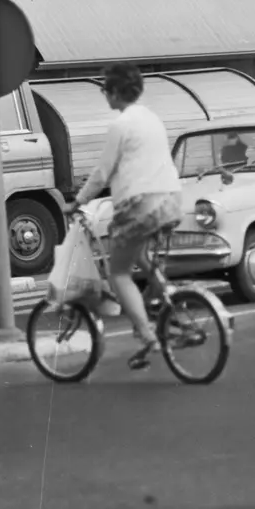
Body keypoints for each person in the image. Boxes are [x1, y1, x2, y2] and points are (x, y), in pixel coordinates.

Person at [68, 63, 184, 371]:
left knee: (118, 273)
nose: (105, 94)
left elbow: (102, 172)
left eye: (106, 88)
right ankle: (171, 300)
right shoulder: (152, 118)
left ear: (117, 91)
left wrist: (77, 201)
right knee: (141, 256)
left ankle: (147, 335)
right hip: (171, 201)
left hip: (141, 205)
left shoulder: (121, 125)